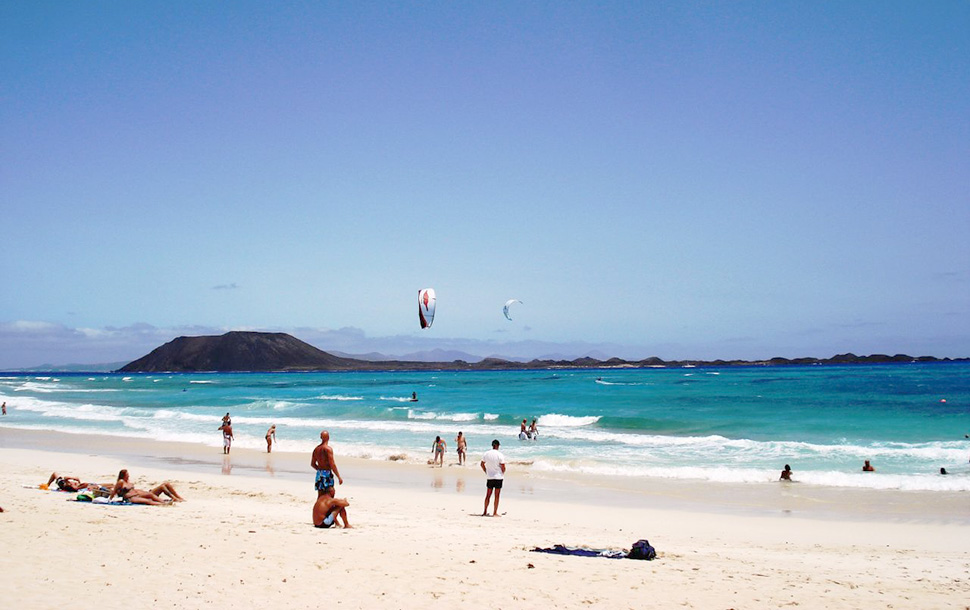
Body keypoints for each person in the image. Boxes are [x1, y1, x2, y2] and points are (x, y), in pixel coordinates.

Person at [109, 469, 185, 505]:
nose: (128, 475)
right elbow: (115, 491)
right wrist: (110, 500)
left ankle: (177, 498)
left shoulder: (128, 481)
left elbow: (134, 489)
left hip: (140, 494)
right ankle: (164, 503)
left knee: (166, 484)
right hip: (132, 497)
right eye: (127, 474)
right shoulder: (121, 482)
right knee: (149, 498)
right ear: (123, 475)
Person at [311, 430, 343, 497]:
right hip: (327, 473)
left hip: (319, 474)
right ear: (328, 437)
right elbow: (332, 464)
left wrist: (320, 471)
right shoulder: (328, 449)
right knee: (330, 494)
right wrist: (339, 477)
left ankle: (318, 507)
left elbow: (312, 464)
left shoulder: (316, 449)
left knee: (320, 495)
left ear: (321, 437)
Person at [480, 439, 506, 517]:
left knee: (488, 495)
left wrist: (486, 471)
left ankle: (485, 511)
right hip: (498, 477)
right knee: (497, 495)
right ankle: (495, 512)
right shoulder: (500, 455)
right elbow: (503, 466)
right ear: (497, 446)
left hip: (490, 476)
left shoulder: (486, 454)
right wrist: (502, 472)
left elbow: (482, 464)